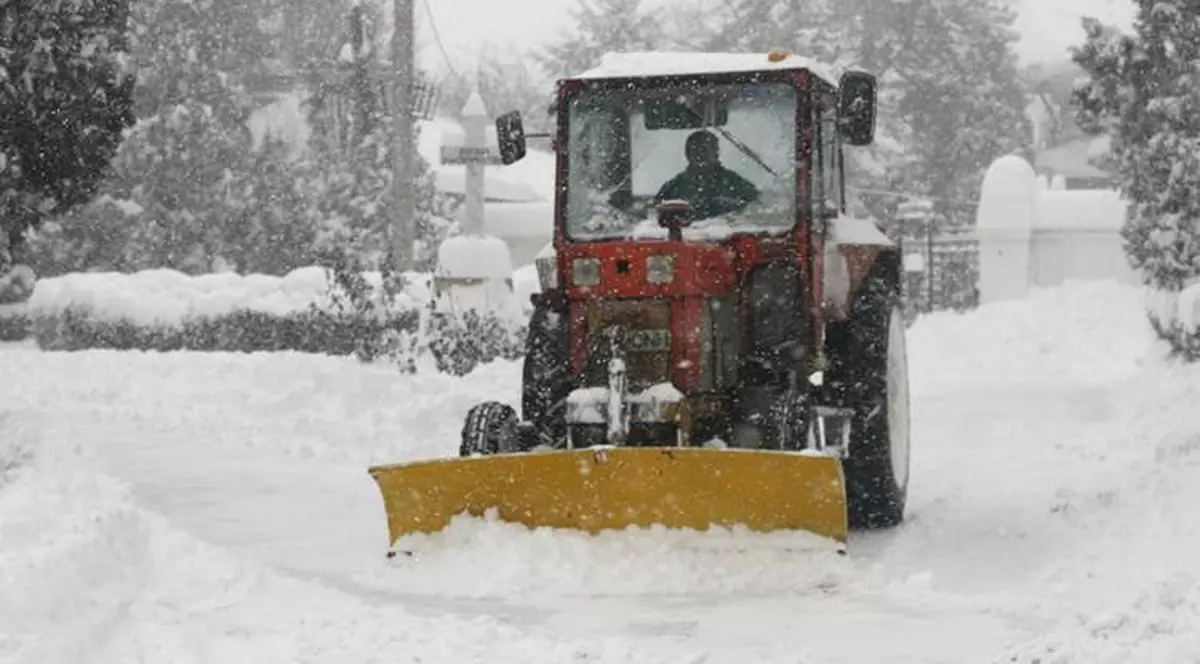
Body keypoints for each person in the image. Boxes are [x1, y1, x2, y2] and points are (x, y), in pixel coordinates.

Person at [654, 130, 759, 220]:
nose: (700, 155)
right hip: (684, 236)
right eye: (694, 151)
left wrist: (731, 206)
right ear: (687, 154)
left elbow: (756, 211)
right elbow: (656, 218)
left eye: (704, 150)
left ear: (716, 153)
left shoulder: (736, 184)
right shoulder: (673, 188)